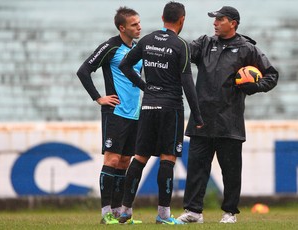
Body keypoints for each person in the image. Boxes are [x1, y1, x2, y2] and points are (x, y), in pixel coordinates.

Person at [177, 6, 279, 224]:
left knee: (231, 171)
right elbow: (183, 52)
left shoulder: (247, 49)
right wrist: (167, 40)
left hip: (229, 120)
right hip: (201, 119)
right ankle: (193, 212)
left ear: (233, 23)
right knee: (196, 169)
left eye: (220, 19)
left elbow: (271, 75)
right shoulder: (204, 43)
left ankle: (229, 213)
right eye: (214, 19)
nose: (215, 23)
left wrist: (255, 86)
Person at [118, 1, 204, 225]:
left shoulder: (146, 40)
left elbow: (125, 65)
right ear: (182, 19)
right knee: (167, 158)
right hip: (170, 108)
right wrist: (197, 115)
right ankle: (164, 215)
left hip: (148, 106)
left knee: (140, 157)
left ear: (162, 17)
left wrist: (144, 86)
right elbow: (188, 83)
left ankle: (125, 211)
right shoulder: (181, 45)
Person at [76, 7, 142, 225]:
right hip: (115, 112)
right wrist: (99, 98)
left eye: (139, 23)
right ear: (122, 28)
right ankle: (105, 214)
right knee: (112, 160)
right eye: (134, 24)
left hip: (134, 113)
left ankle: (117, 211)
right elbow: (84, 70)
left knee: (124, 162)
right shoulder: (111, 46)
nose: (139, 27)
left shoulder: (137, 49)